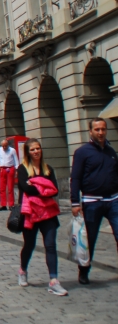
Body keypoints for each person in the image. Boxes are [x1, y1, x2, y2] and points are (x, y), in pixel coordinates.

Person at [70, 118, 118, 285]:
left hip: (113, 201)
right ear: (90, 131)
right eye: (97, 129)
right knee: (89, 239)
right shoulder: (82, 152)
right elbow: (75, 178)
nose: (100, 132)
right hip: (92, 202)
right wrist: (75, 202)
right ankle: (84, 270)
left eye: (103, 129)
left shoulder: (111, 151)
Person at [17, 138, 67, 296]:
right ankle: (23, 270)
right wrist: (44, 186)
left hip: (48, 213)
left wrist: (36, 184)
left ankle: (53, 280)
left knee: (50, 246)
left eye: (38, 148)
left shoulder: (48, 169)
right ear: (28, 152)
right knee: (29, 245)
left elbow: (55, 190)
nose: (36, 151)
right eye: (32, 149)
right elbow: (26, 188)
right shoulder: (22, 169)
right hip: (30, 213)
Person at [0, 138, 20, 211]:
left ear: (8, 145)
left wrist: (16, 170)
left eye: (5, 146)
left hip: (10, 169)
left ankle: (11, 204)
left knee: (10, 188)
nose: (4, 147)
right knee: (1, 188)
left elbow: (16, 160)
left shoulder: (12, 150)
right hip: (2, 169)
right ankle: (3, 205)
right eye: (3, 146)